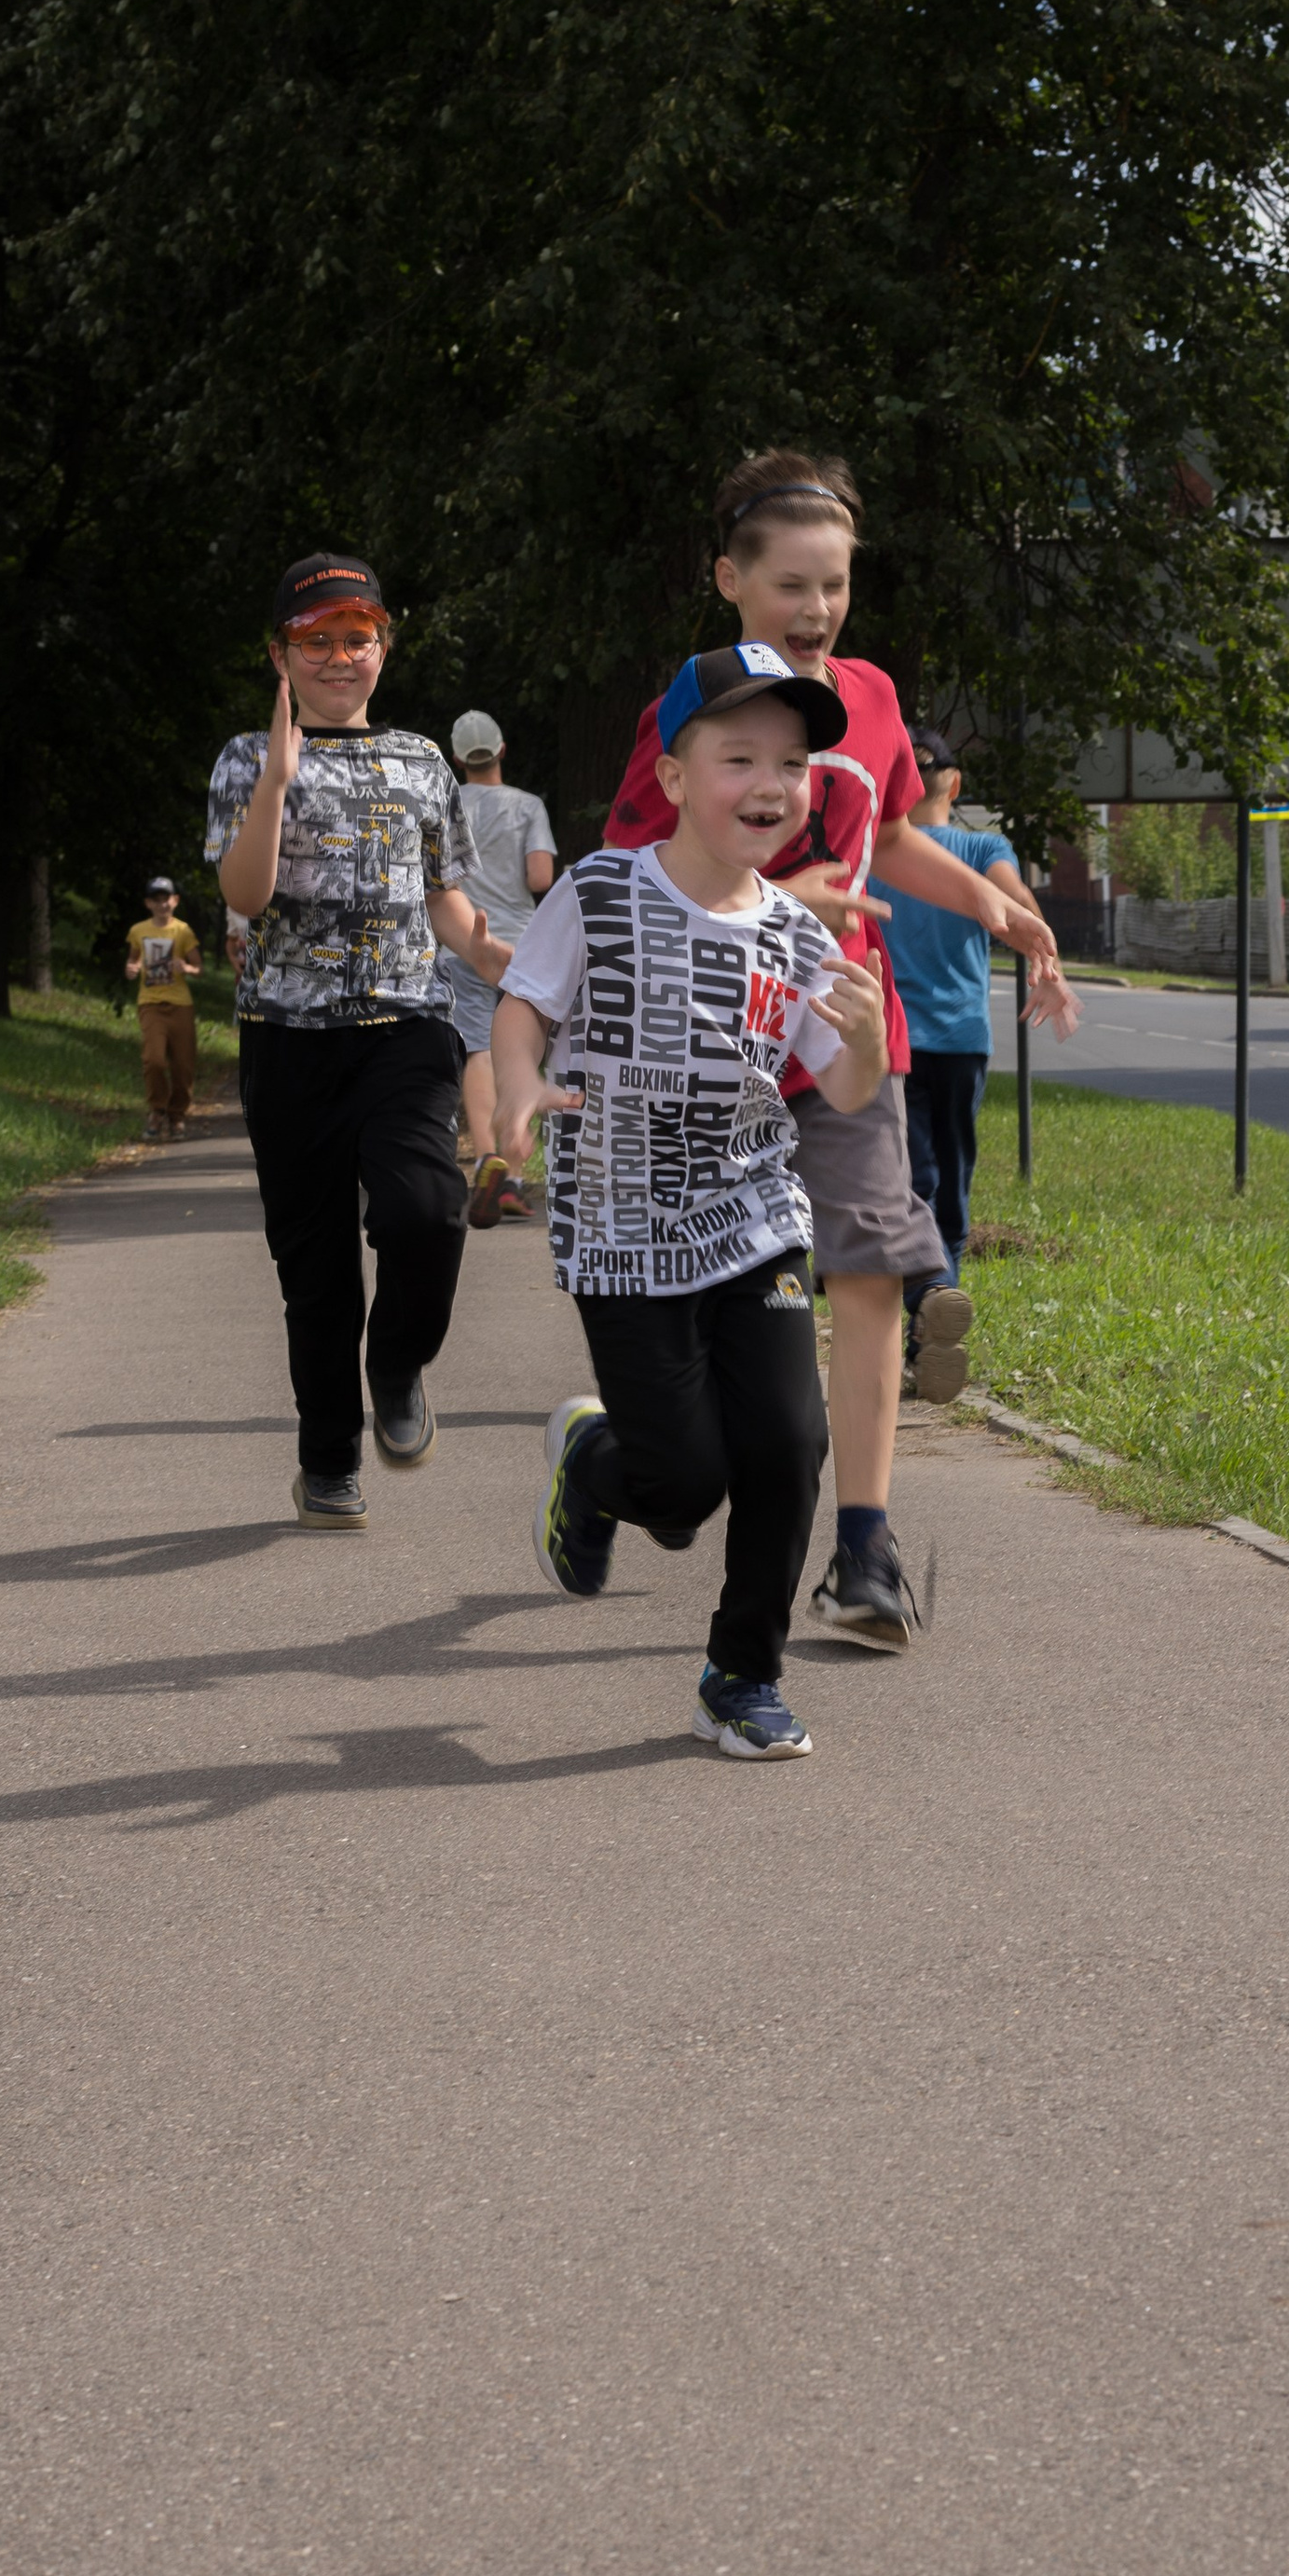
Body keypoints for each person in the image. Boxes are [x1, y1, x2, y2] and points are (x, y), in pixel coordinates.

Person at [605, 448, 1072, 1651]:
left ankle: (865, 1545)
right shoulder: (695, 704)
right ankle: (626, 1455)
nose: (817, 612)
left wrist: (996, 910)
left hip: (854, 1034)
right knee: (709, 1355)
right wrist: (770, 899)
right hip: (717, 1055)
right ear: (731, 580)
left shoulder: (865, 694)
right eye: (791, 586)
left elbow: (902, 836)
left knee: (870, 1268)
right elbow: (630, 877)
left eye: (835, 585)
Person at [493, 641, 888, 1759]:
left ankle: (741, 1674)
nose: (770, 786)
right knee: (680, 1489)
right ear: (671, 777)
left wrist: (860, 1042)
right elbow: (524, 1005)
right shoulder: (601, 890)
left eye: (793, 764)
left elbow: (845, 1088)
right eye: (739, 758)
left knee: (785, 1444)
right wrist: (518, 1086)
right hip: (619, 1222)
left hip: (751, 1214)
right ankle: (597, 1462)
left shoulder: (797, 935)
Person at [208, 554, 512, 1533]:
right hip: (287, 1042)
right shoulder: (244, 760)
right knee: (316, 1269)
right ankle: (328, 1458)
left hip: (405, 1029)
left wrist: (505, 957)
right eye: (317, 640)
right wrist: (280, 778)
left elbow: (449, 902)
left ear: (382, 647)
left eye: (357, 637)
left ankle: (399, 1361)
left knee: (427, 1211)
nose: (340, 657)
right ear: (282, 655)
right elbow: (245, 898)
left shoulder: (423, 761)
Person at [869, 732, 1075, 1388]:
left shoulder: (875, 850)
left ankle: (927, 1305)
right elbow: (1017, 910)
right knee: (950, 1188)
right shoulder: (983, 849)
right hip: (960, 1040)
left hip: (886, 1041)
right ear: (953, 787)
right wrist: (1043, 960)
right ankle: (935, 1302)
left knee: (908, 1181)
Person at [434, 708, 557, 1226]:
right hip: (522, 947)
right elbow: (539, 875)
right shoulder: (527, 805)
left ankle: (487, 1159)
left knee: (479, 1051)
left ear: (457, 757)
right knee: (522, 1054)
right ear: (502, 750)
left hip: (462, 943)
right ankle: (513, 1173)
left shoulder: (445, 802)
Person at [122, 874, 201, 1142]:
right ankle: (157, 1110)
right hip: (150, 1003)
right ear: (148, 903)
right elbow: (132, 962)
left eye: (166, 899)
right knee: (153, 1060)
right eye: (156, 900)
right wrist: (131, 969)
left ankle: (177, 1115)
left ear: (175, 901)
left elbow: (198, 967)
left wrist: (186, 968)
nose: (162, 904)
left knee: (183, 1065)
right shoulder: (138, 931)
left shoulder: (183, 931)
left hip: (180, 1004)